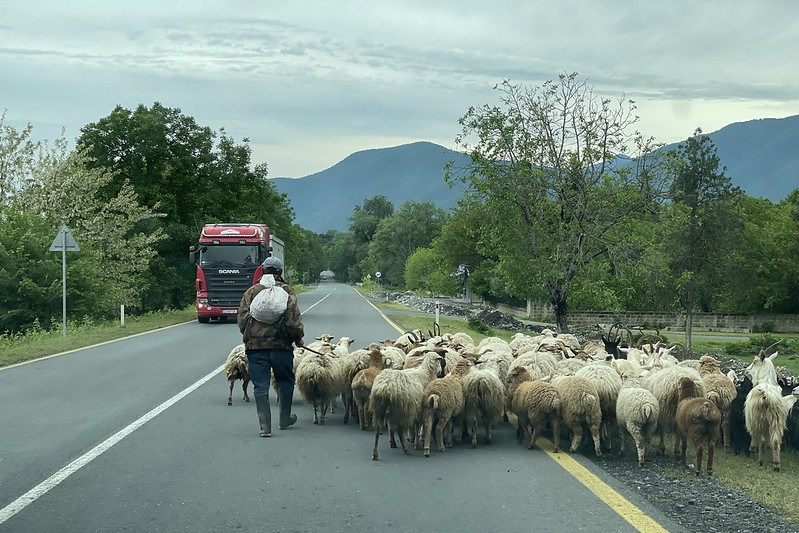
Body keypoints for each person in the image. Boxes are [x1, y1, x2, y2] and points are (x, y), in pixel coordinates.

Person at [237, 256, 304, 437]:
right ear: (280, 272)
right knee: (285, 381)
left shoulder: (251, 292)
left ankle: (264, 427)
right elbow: (293, 320)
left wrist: (249, 335)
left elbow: (242, 320)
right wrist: (298, 338)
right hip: (281, 346)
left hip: (255, 347)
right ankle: (284, 419)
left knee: (260, 384)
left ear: (262, 270)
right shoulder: (287, 291)